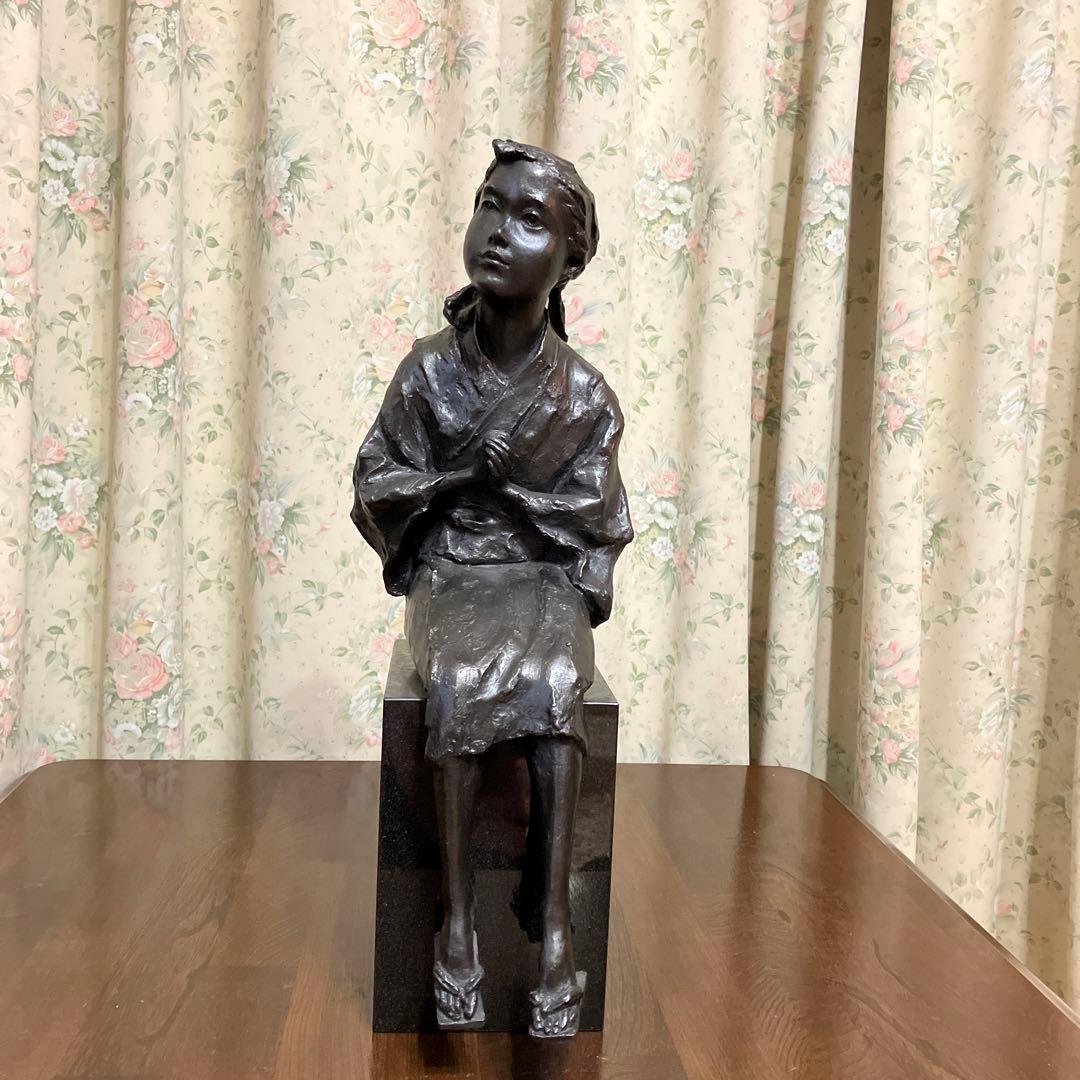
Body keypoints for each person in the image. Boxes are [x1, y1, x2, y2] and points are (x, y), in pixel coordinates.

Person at [351, 138, 632, 1037]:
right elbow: (377, 479)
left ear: (570, 261)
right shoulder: (429, 370)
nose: (499, 232)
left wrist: (518, 496)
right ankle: (457, 921)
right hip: (452, 568)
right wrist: (461, 476)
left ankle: (551, 923)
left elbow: (599, 519)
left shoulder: (583, 395)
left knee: (559, 682)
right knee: (456, 684)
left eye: (530, 219)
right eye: (489, 205)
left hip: (539, 575)